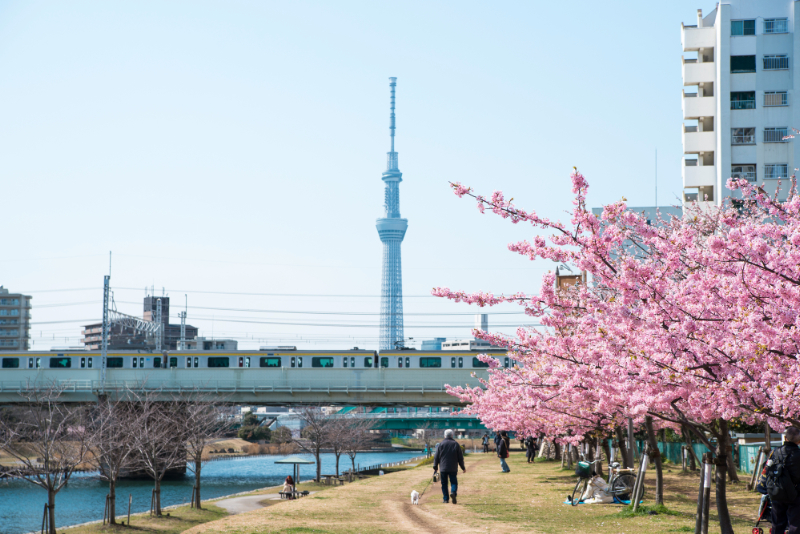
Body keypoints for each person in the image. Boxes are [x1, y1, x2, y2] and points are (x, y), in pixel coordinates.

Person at [771, 427, 800, 534]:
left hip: (777, 491)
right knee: (795, 525)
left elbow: (768, 469)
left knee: (777, 524)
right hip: (795, 493)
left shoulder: (775, 452)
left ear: (785, 438)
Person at [433, 429, 466, 504]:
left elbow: (436, 456)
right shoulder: (456, 444)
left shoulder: (441, 444)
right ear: (452, 435)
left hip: (443, 468)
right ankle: (453, 492)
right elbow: (460, 458)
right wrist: (463, 467)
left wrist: (435, 467)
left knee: (444, 483)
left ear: (444, 436)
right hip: (453, 467)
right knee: (453, 482)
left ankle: (445, 499)